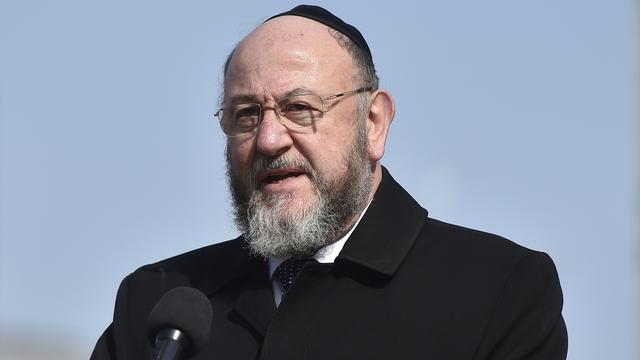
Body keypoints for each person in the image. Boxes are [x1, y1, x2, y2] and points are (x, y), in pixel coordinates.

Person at [91, 5, 567, 360]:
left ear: (374, 123)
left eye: (300, 108)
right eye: (246, 114)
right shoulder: (158, 305)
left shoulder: (496, 291)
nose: (269, 138)